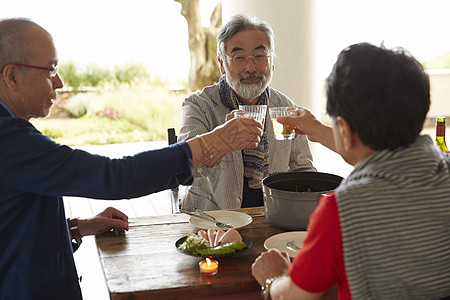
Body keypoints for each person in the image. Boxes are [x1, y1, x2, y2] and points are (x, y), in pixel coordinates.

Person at [0, 17, 263, 300]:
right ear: (12, 76)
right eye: (50, 69)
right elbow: (115, 176)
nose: (60, 81)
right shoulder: (9, 139)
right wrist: (214, 142)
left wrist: (77, 227)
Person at [251, 43, 450, 299]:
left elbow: (292, 296)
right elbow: (381, 158)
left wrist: (273, 277)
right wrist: (317, 129)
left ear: (343, 128)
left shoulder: (343, 211)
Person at [178, 13, 316, 211]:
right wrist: (223, 140)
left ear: (272, 63)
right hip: (211, 220)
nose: (250, 67)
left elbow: (303, 171)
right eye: (239, 57)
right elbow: (186, 166)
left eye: (259, 56)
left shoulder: (285, 107)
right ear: (221, 64)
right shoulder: (198, 106)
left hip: (272, 218)